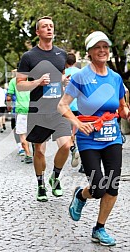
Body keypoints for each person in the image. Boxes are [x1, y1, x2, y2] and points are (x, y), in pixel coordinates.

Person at [57, 31, 130, 246]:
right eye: (97, 47)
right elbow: (62, 105)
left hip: (112, 138)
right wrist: (78, 123)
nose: (103, 51)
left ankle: (99, 228)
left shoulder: (116, 78)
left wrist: (125, 112)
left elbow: (121, 106)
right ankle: (81, 195)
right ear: (89, 52)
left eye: (105, 47)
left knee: (113, 184)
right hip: (88, 139)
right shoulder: (80, 77)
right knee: (98, 187)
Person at [17, 16, 71, 202]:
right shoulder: (29, 57)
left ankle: (55, 178)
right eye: (45, 27)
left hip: (58, 109)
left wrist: (64, 81)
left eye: (51, 26)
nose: (49, 29)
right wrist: (38, 82)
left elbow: (62, 78)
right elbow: (19, 85)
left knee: (66, 144)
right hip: (38, 111)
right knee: (39, 151)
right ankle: (40, 185)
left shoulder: (61, 55)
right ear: (37, 32)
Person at [7, 74, 33, 164]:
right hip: (34, 110)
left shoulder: (14, 81)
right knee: (33, 132)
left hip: (21, 110)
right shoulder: (33, 78)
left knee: (22, 134)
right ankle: (36, 151)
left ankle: (28, 154)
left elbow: (9, 96)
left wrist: (9, 107)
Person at [65, 52, 81, 168]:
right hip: (80, 107)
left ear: (65, 63)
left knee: (66, 133)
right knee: (79, 132)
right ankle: (83, 163)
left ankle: (72, 147)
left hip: (66, 107)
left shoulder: (62, 74)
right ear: (75, 61)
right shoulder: (81, 73)